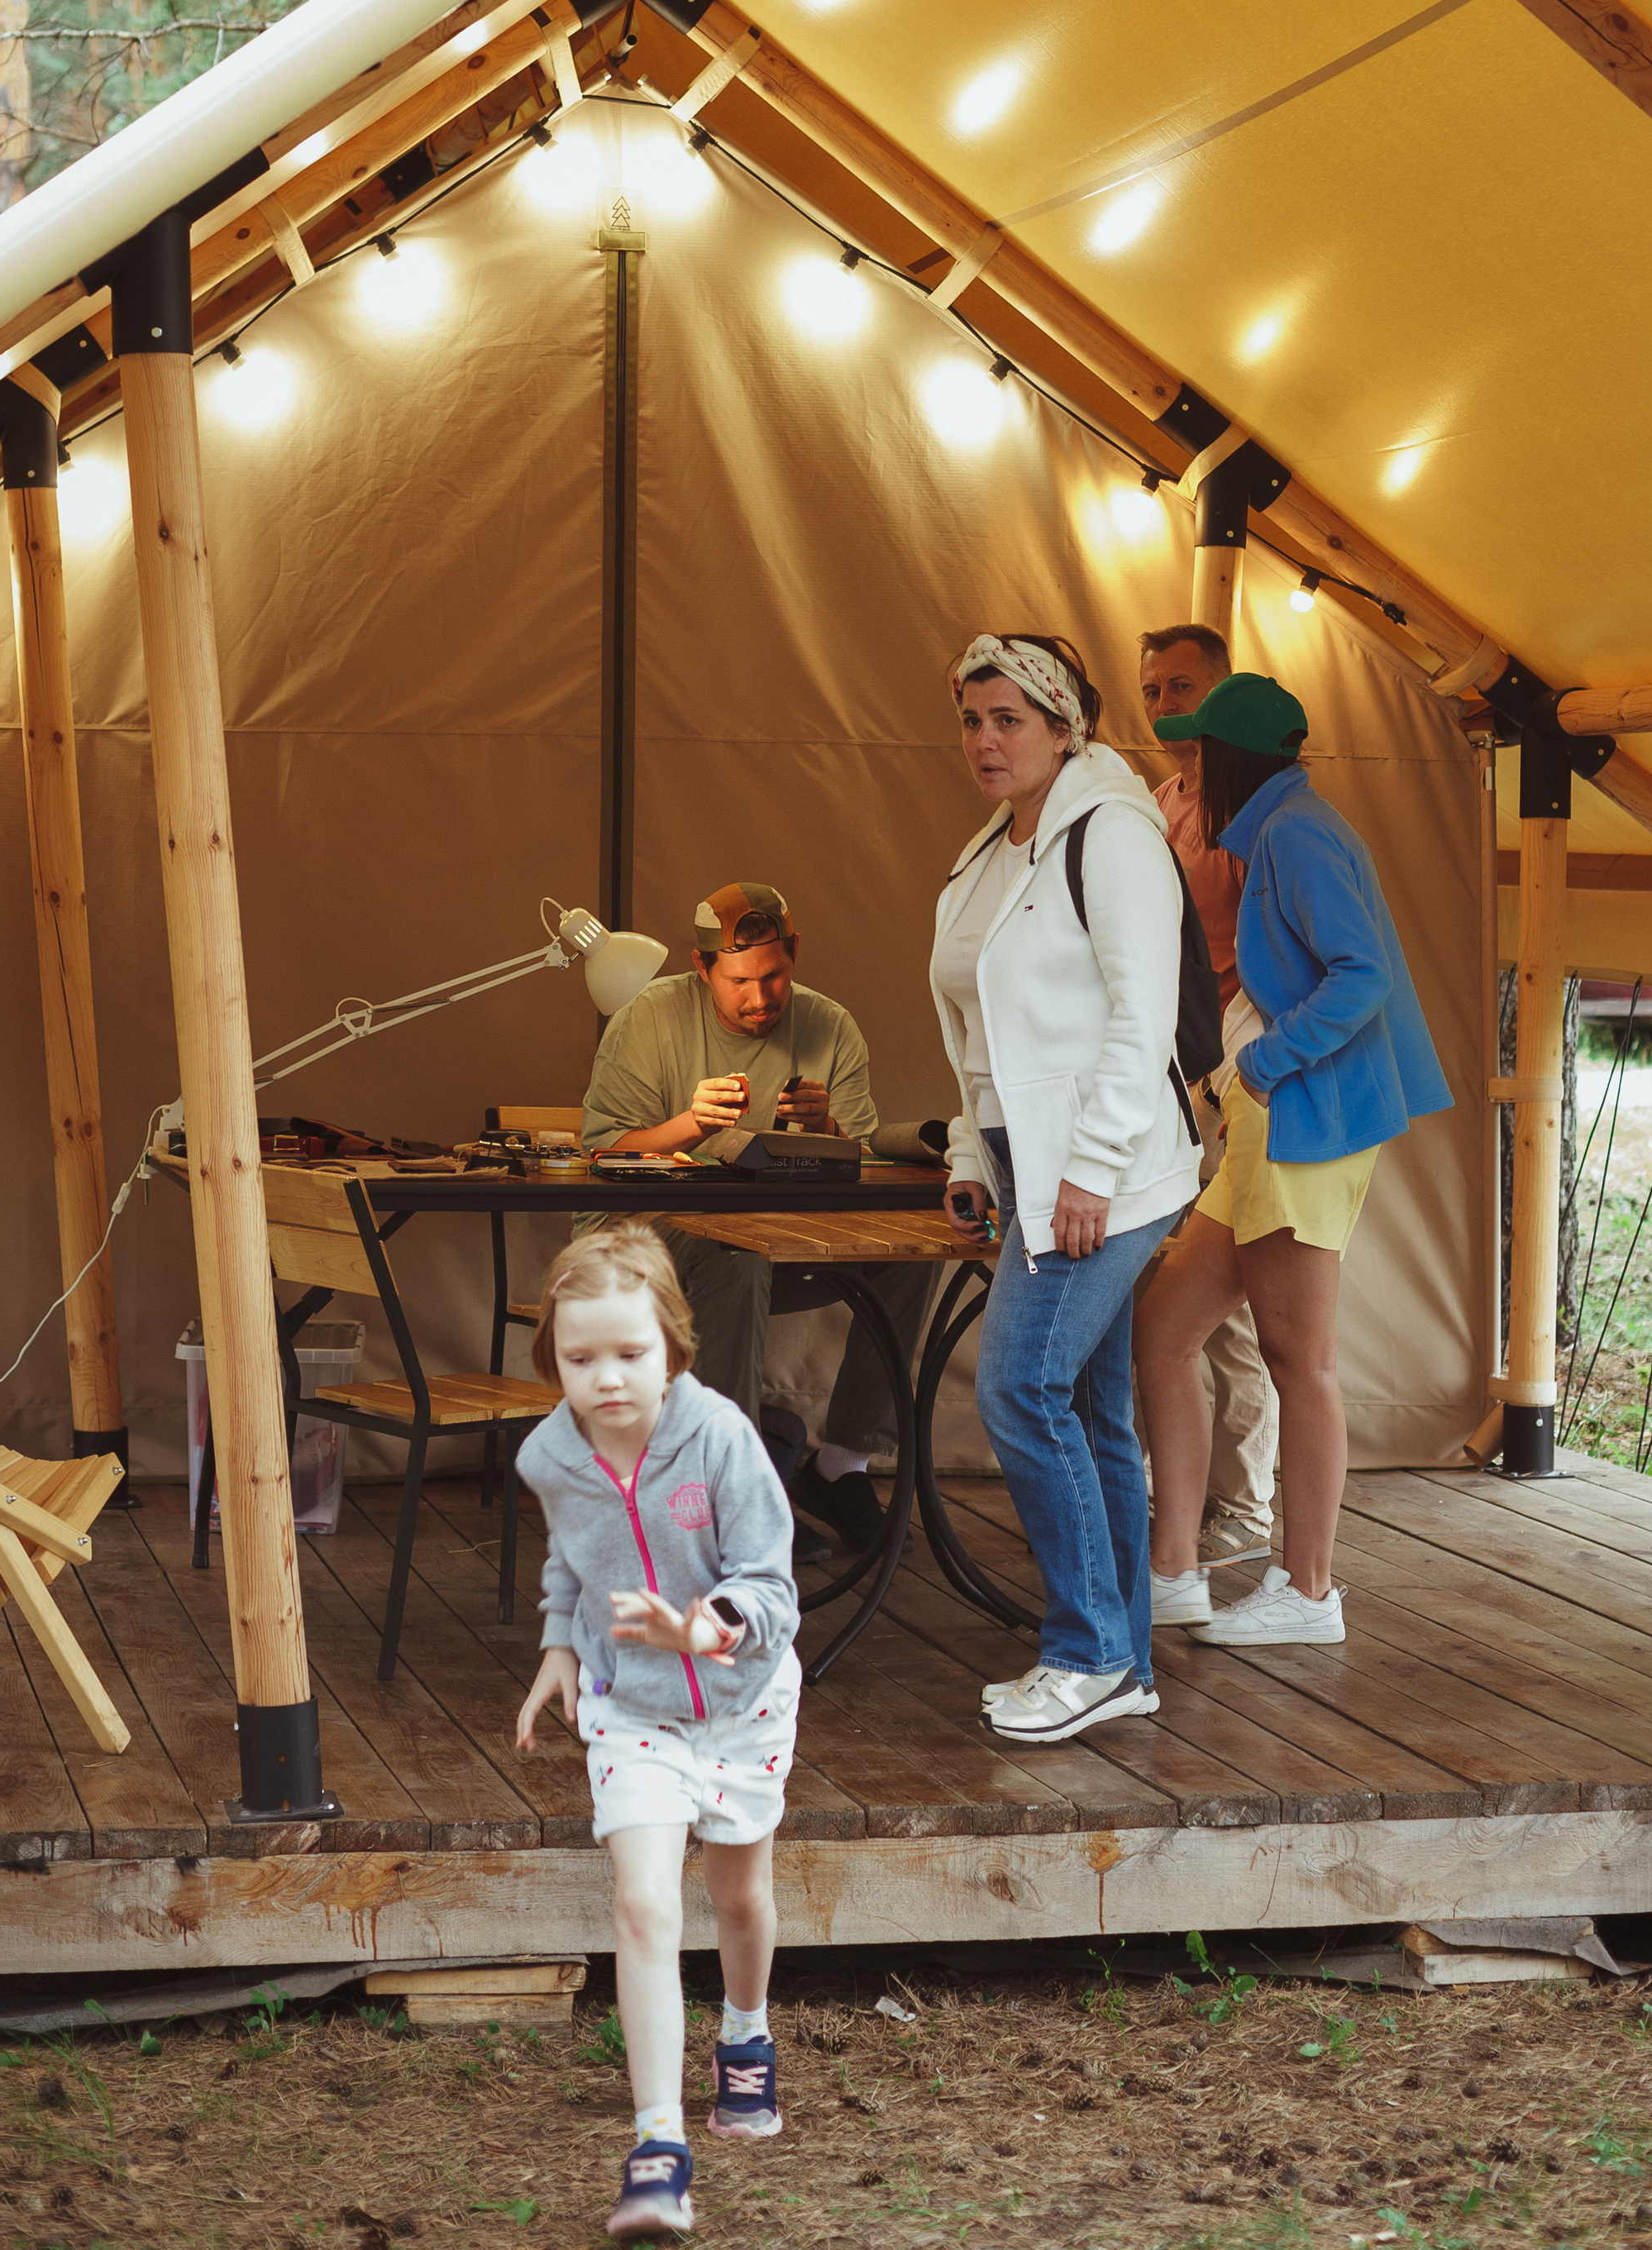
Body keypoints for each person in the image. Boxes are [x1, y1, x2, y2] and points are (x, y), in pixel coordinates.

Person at [1132, 673, 1449, 1648]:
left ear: (1228, 762)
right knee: (1164, 1331)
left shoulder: (1297, 835)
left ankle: (1308, 1592)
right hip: (1273, 1118)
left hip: (1305, 1120)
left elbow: (1364, 974)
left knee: (1296, 1360)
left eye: (1196, 755)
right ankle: (1174, 1572)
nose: (1185, 771)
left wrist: (1264, 1061)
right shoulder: (1279, 827)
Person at [929, 632, 1199, 1745]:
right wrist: (963, 1152)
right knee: (1090, 1409)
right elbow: (976, 1027)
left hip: (1109, 1171)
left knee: (1017, 1390)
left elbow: (1141, 1018)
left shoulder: (1113, 834)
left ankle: (1085, 1650)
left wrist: (1089, 1168)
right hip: (1021, 1164)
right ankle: (1124, 1662)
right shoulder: (993, 846)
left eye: (1010, 720)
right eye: (971, 719)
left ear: (1063, 725)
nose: (986, 741)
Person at [516, 1226, 800, 2241]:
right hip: (629, 1708)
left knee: (737, 1894)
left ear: (672, 1349)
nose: (604, 1379)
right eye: (579, 1358)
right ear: (552, 1358)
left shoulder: (719, 1437)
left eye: (628, 1354)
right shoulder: (549, 1454)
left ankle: (746, 2031)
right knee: (642, 1906)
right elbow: (572, 1556)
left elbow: (772, 1578)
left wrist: (705, 1627)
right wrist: (559, 1646)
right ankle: (656, 2148)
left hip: (742, 1705)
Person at [581, 883, 937, 1554]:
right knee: (733, 1256)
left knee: (906, 1254)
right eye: (740, 979)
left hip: (780, 1239)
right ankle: (730, 1495)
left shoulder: (829, 1025)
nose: (760, 997)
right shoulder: (649, 1018)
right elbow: (601, 1152)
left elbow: (861, 1161)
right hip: (643, 1250)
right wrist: (690, 1125)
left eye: (774, 975)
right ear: (701, 966)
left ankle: (843, 1466)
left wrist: (827, 1128)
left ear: (795, 954)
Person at [1137, 624, 1280, 1575]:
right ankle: (1171, 1497)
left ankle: (1248, 1502)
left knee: (1229, 1291)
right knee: (1168, 1281)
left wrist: (1246, 1068)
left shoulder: (1258, 810)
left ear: (1224, 691)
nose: (1161, 704)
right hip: (1177, 1066)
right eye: (1149, 688)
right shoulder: (1155, 804)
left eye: (1181, 685)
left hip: (1244, 1057)